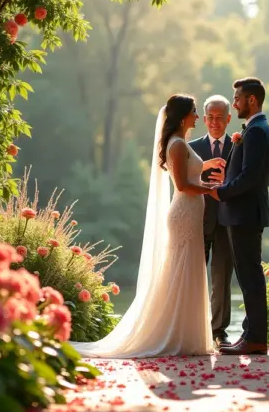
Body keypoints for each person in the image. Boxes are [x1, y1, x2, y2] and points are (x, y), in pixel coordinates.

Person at [72, 94, 226, 358]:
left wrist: (206, 167)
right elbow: (182, 185)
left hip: (190, 214)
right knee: (181, 269)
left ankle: (185, 333)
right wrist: (211, 189)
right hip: (183, 214)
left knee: (188, 270)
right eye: (194, 112)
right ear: (182, 117)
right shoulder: (177, 145)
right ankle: (172, 333)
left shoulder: (182, 143)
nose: (198, 117)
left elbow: (190, 172)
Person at [208, 77, 269, 356]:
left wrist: (221, 192)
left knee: (250, 277)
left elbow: (251, 177)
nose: (234, 103)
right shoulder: (255, 129)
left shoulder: (257, 131)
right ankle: (249, 334)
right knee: (248, 277)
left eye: (237, 98)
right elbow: (262, 176)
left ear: (252, 100)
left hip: (244, 214)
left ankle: (256, 339)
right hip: (243, 213)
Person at [188, 95, 235, 349]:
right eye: (211, 118)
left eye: (220, 118)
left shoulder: (238, 146)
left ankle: (219, 331)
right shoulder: (191, 147)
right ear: (204, 119)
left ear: (229, 119)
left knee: (221, 277)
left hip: (227, 221)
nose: (215, 122)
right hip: (197, 219)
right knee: (193, 275)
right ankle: (191, 328)